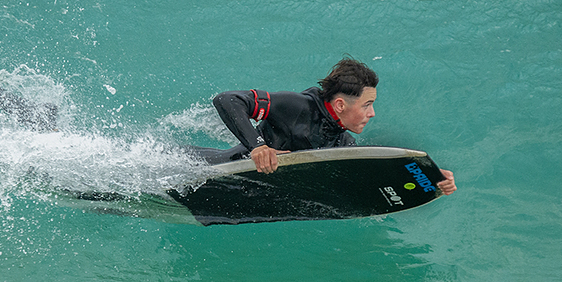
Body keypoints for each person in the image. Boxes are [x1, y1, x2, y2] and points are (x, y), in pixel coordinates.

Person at [193, 57, 457, 196]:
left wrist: (431, 178)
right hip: (206, 171)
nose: (372, 113)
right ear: (341, 104)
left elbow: (367, 180)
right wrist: (258, 148)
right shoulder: (296, 107)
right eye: (367, 105)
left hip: (251, 190)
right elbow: (227, 100)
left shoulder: (341, 144)